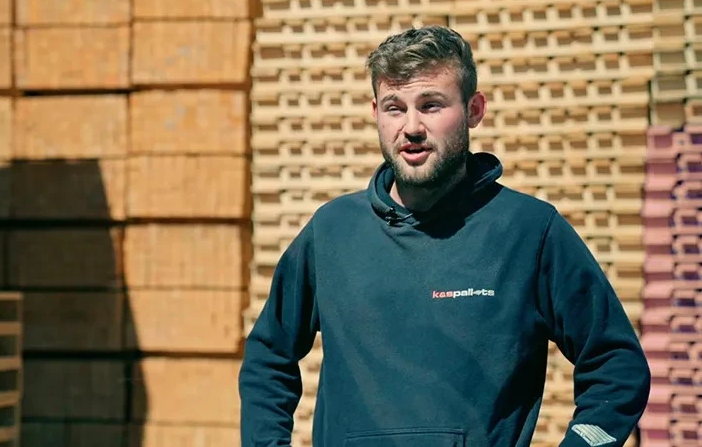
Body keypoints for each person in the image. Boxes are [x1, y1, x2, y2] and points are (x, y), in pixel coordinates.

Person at [238, 25, 651, 447]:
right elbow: (269, 356)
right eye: (394, 108)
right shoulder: (332, 231)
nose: (411, 127)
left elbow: (616, 368)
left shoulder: (529, 231)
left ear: (474, 110)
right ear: (375, 113)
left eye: (431, 105)